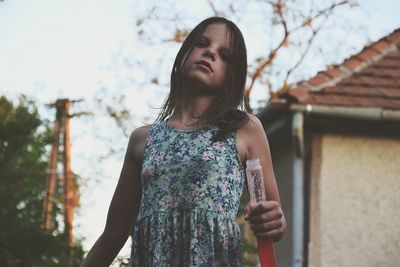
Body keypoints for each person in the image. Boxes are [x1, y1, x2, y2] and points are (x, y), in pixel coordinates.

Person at [81, 16, 286, 267]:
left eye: (224, 55)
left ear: (232, 76)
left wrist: (276, 220)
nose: (210, 52)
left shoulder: (245, 129)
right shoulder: (142, 139)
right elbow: (113, 235)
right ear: (185, 53)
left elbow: (274, 220)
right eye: (202, 43)